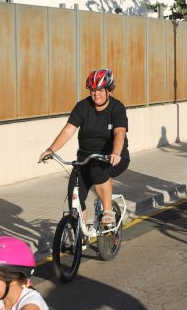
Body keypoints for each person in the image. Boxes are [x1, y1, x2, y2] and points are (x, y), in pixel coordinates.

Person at [39, 69, 130, 225]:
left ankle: (108, 211)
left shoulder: (117, 108)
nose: (96, 94)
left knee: (97, 170)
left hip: (112, 157)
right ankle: (78, 232)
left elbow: (119, 132)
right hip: (85, 158)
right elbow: (68, 131)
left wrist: (115, 153)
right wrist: (51, 150)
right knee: (74, 192)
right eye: (93, 90)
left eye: (100, 90)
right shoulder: (82, 107)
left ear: (109, 91)